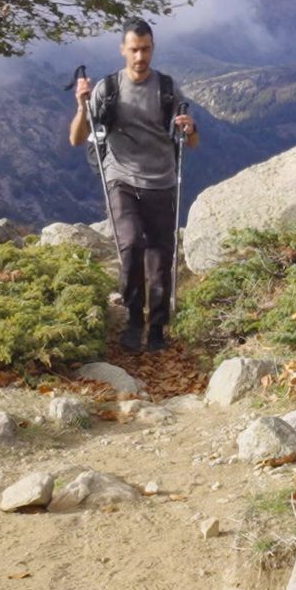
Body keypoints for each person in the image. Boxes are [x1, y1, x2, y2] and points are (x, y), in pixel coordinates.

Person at [70, 19, 198, 353]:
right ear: (123, 50)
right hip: (121, 176)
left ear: (152, 48)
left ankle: (156, 326)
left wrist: (189, 128)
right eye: (134, 49)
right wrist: (82, 106)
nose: (140, 56)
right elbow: (76, 138)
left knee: (160, 255)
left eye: (146, 49)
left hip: (162, 179)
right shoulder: (107, 88)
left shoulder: (168, 89)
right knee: (129, 245)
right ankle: (133, 318)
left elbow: (193, 142)